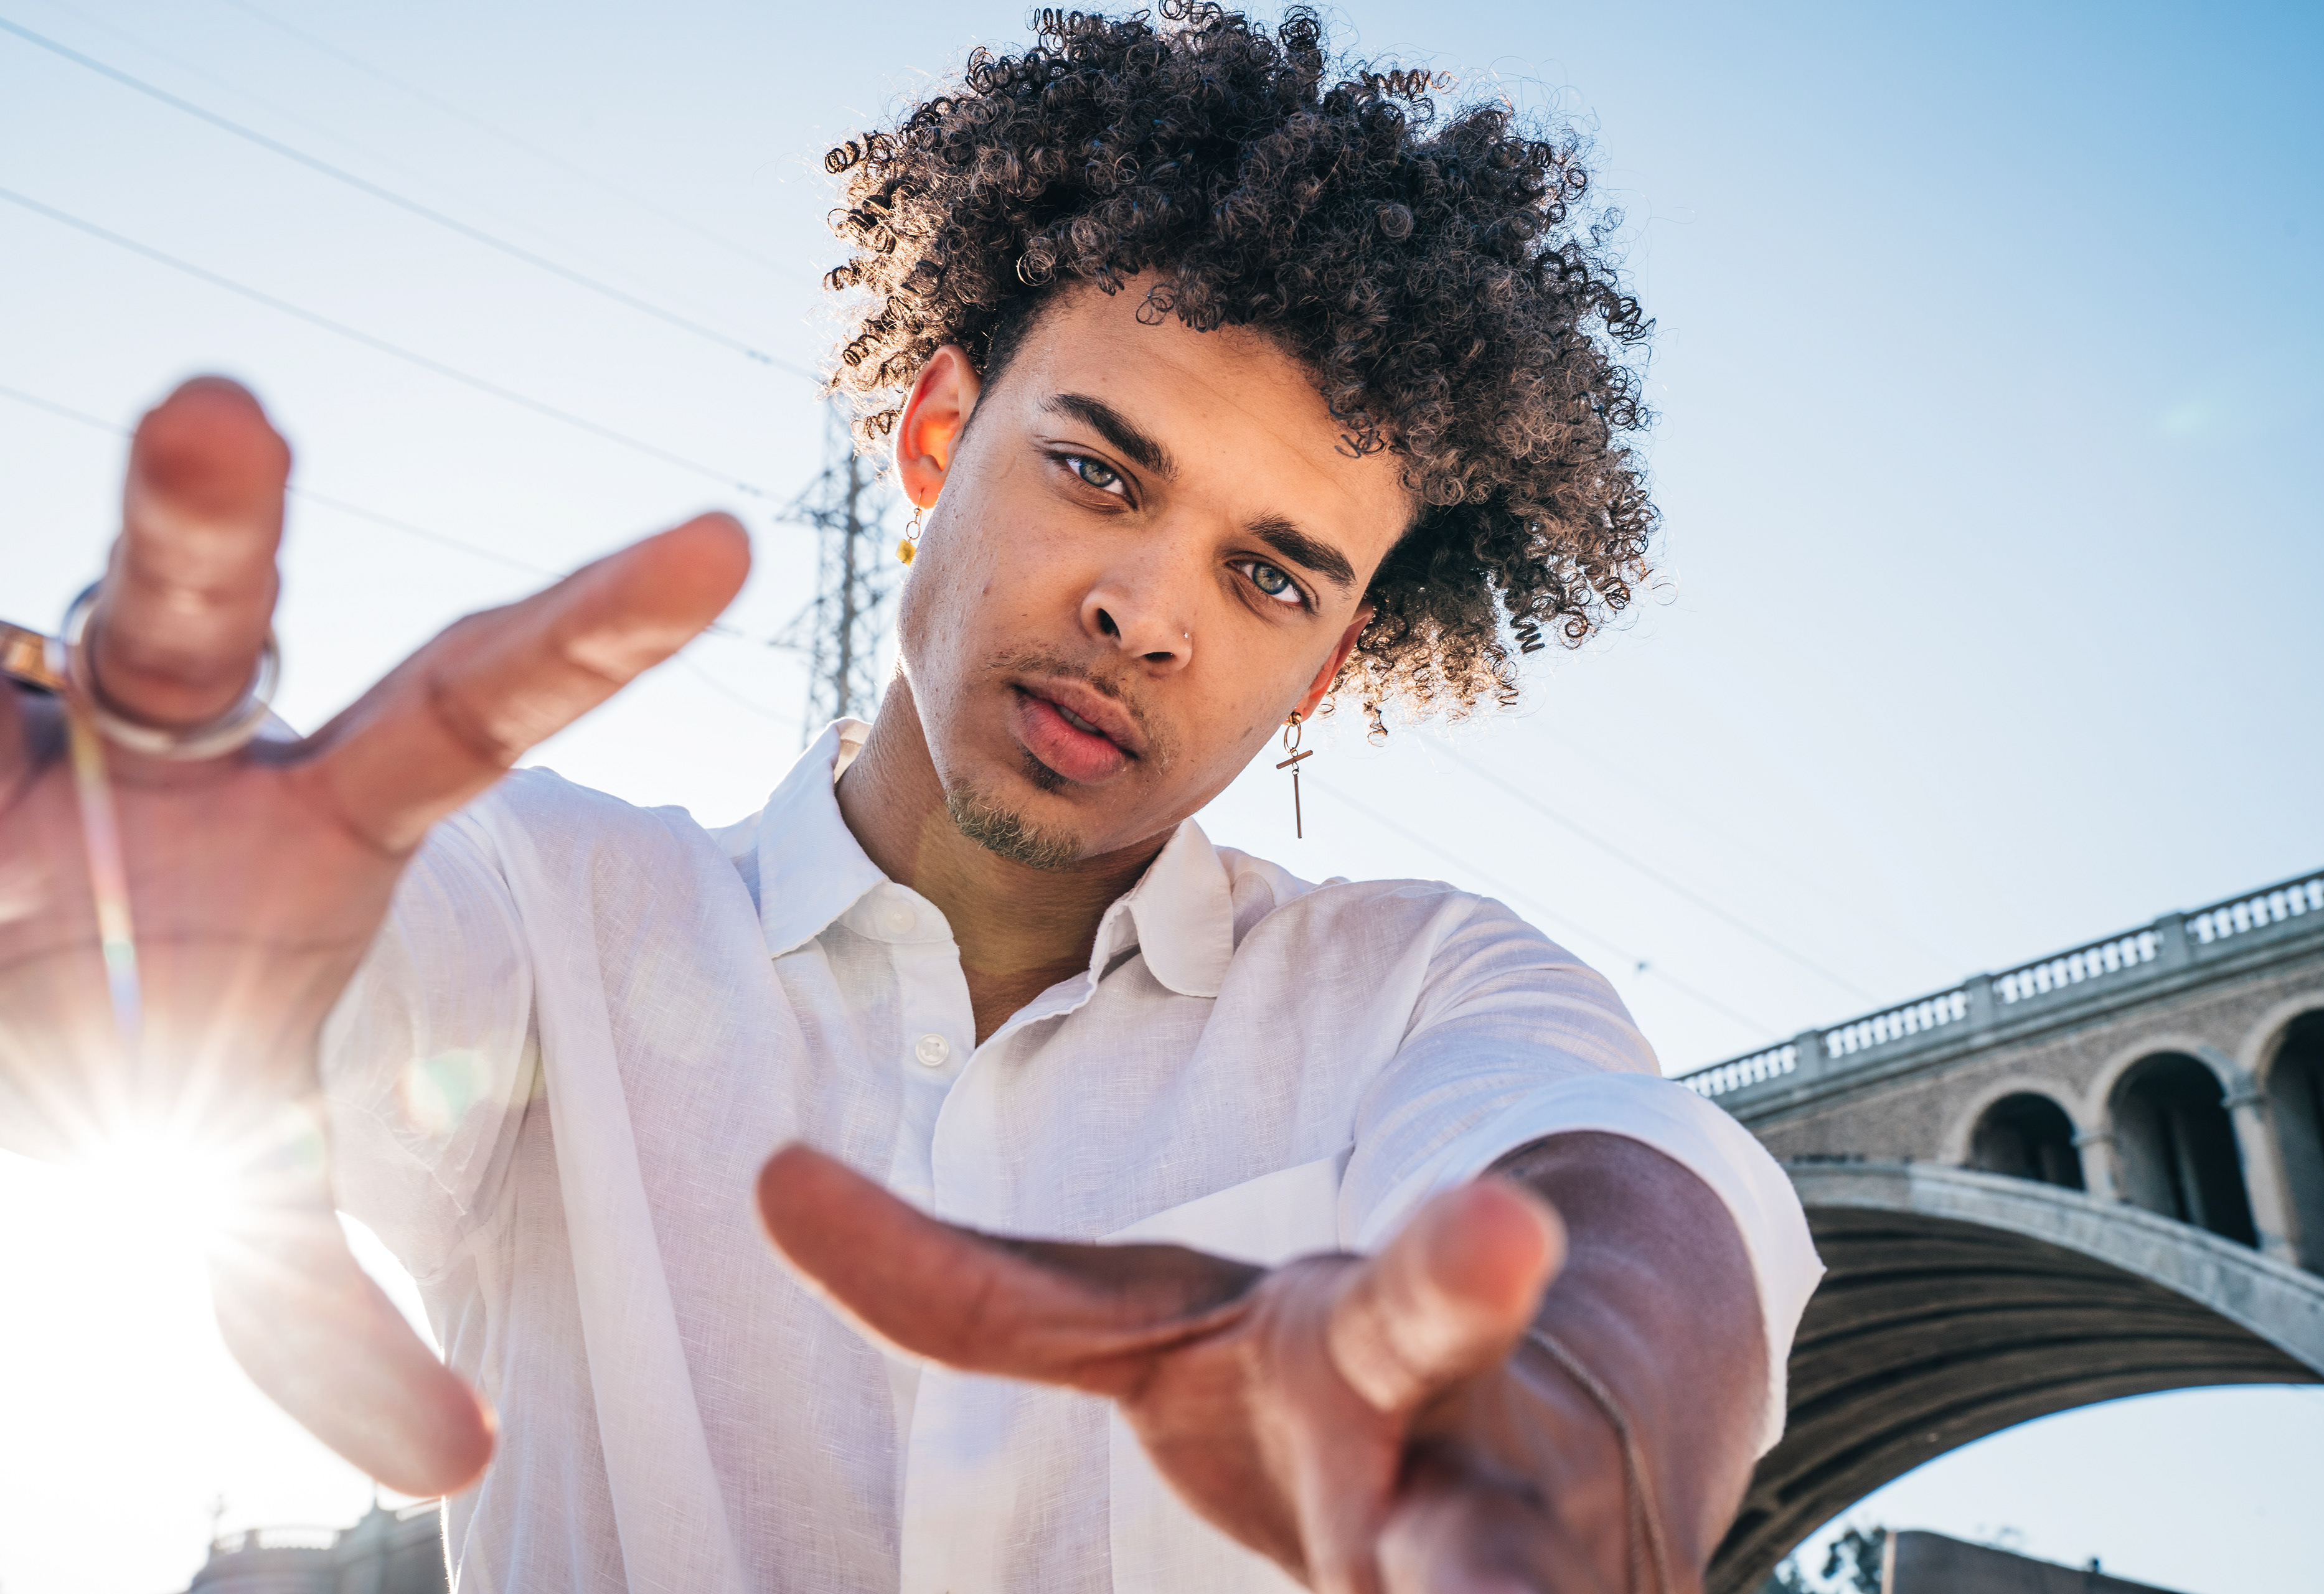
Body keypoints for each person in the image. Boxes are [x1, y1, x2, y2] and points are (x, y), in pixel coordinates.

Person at [0, 6, 1820, 1591]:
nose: (1146, 613)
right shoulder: (545, 916)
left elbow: (1629, 1178)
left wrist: (1574, 1408)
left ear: (1332, 661)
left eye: (1273, 579)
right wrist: (88, 882)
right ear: (937, 436)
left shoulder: (1425, 993)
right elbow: (297, 984)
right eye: (1101, 472)